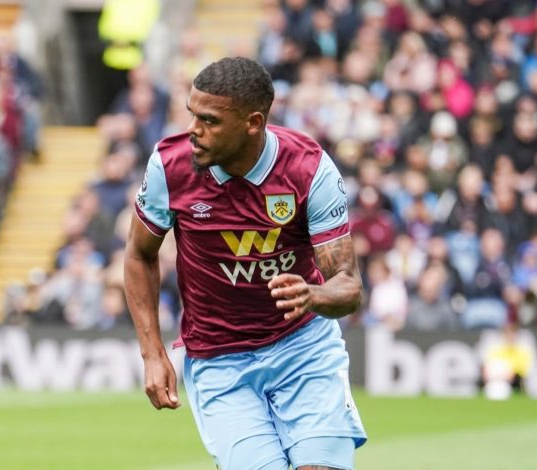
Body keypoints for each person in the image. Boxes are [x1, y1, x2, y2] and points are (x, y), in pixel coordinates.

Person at [124, 57, 366, 470]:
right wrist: (151, 352)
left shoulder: (308, 169)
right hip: (220, 360)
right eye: (191, 115)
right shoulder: (171, 166)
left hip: (303, 348)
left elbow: (349, 287)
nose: (193, 132)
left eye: (210, 121)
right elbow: (138, 255)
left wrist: (314, 295)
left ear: (253, 122)